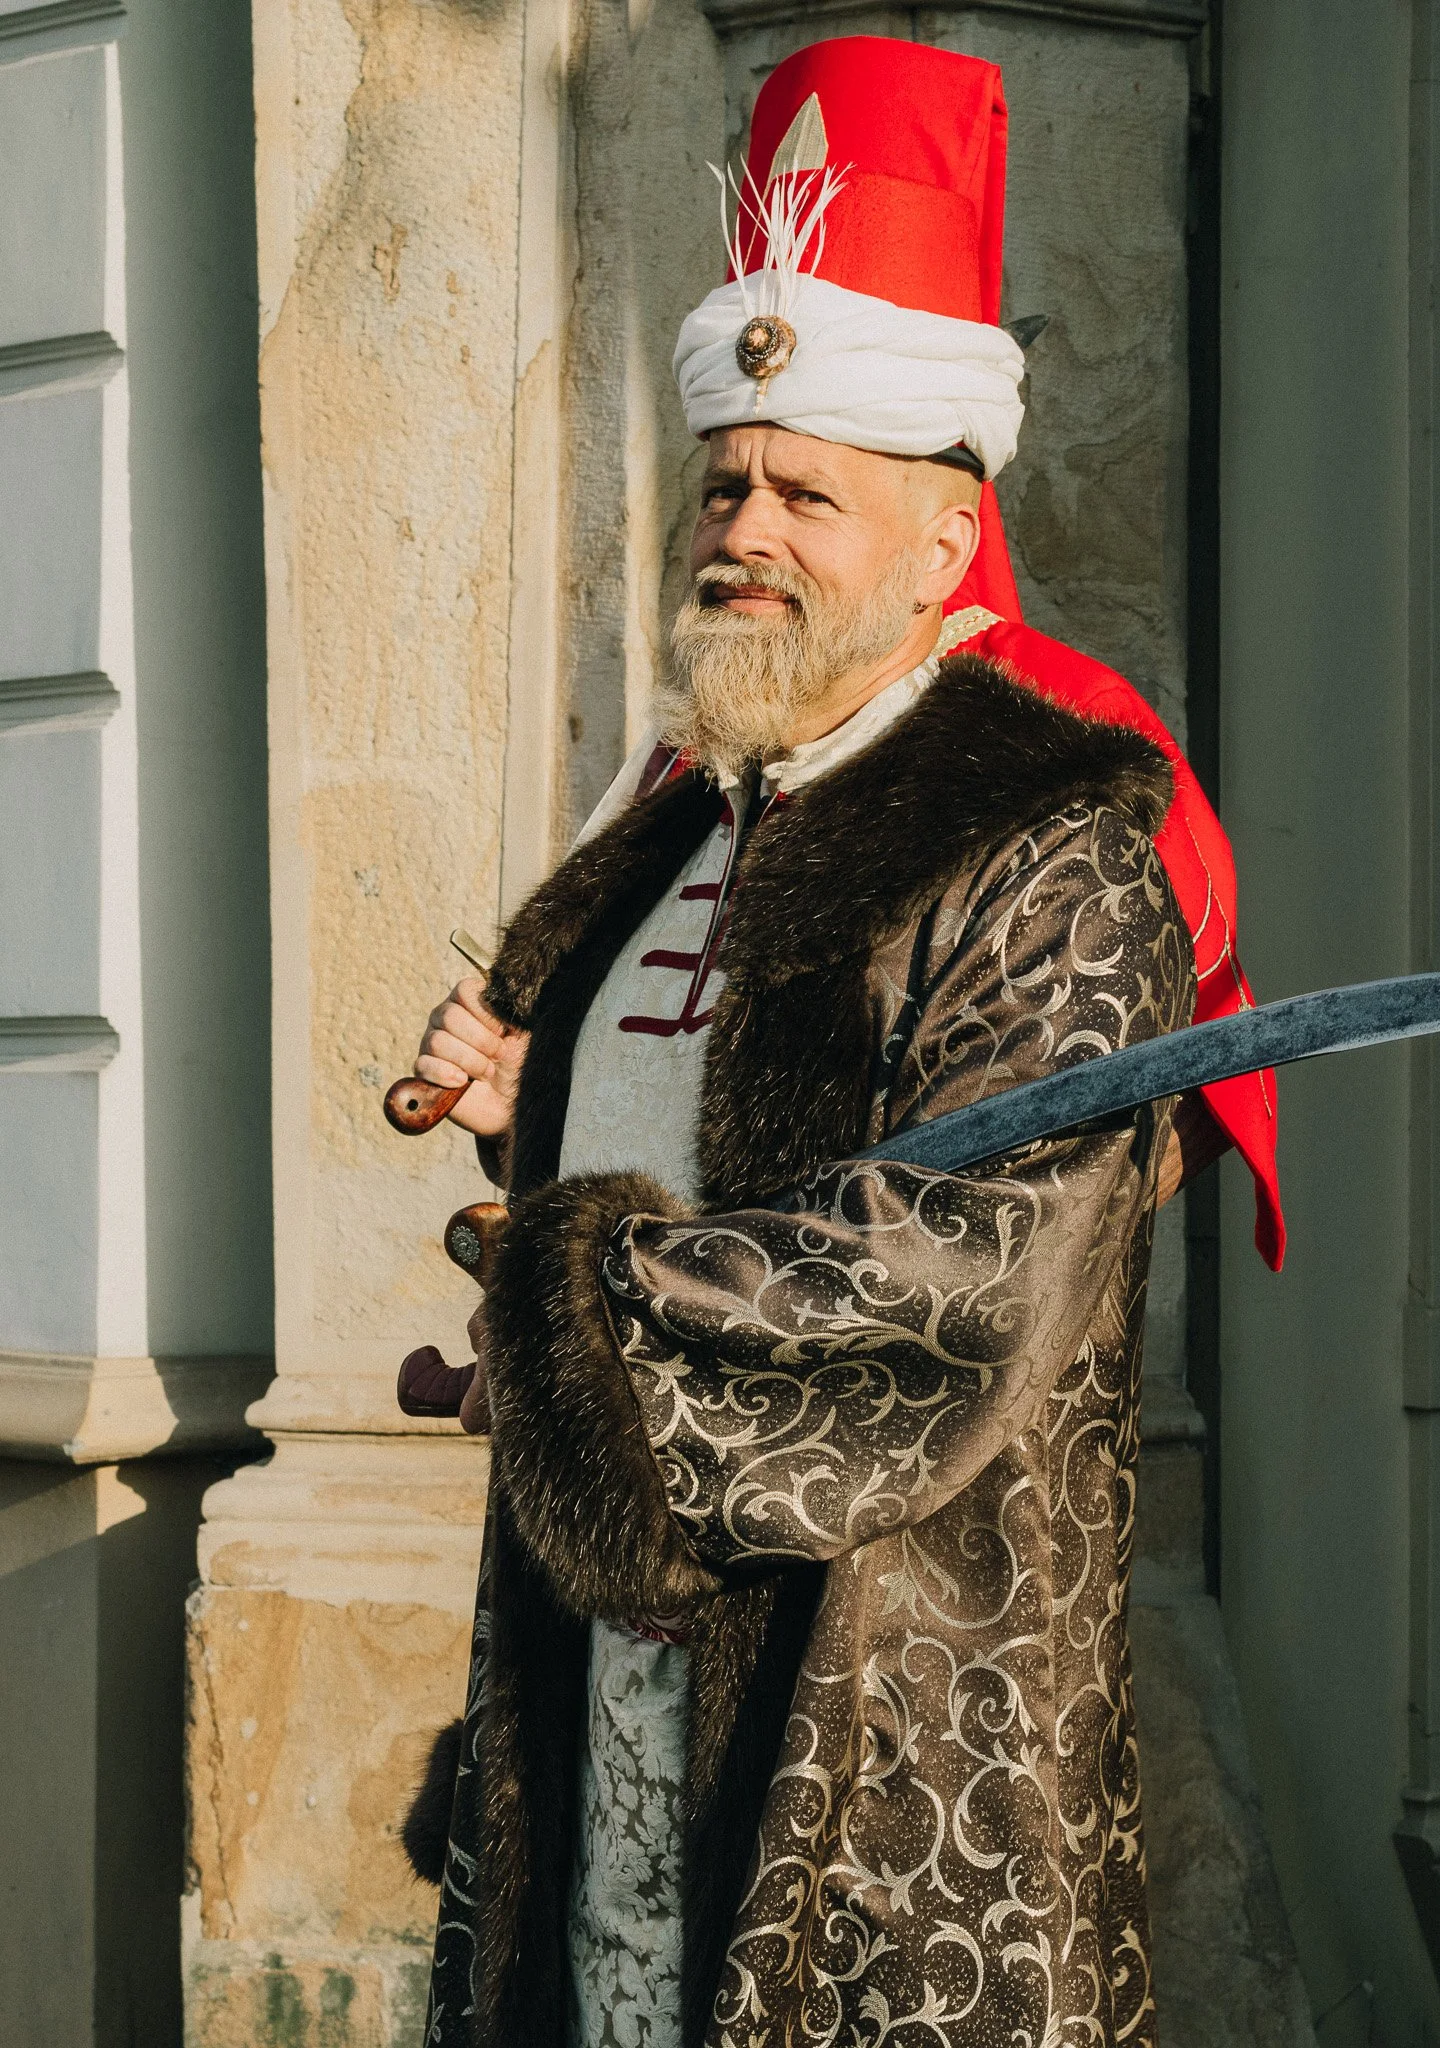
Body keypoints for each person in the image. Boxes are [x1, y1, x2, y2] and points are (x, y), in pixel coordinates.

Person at [399, 37, 1282, 2048]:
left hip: (881, 1701)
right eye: (727, 481)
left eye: (811, 492)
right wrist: (532, 1130)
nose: (747, 527)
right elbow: (654, 1153)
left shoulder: (1052, 839)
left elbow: (961, 1272)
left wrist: (581, 1317)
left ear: (946, 544)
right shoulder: (680, 817)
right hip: (605, 1667)